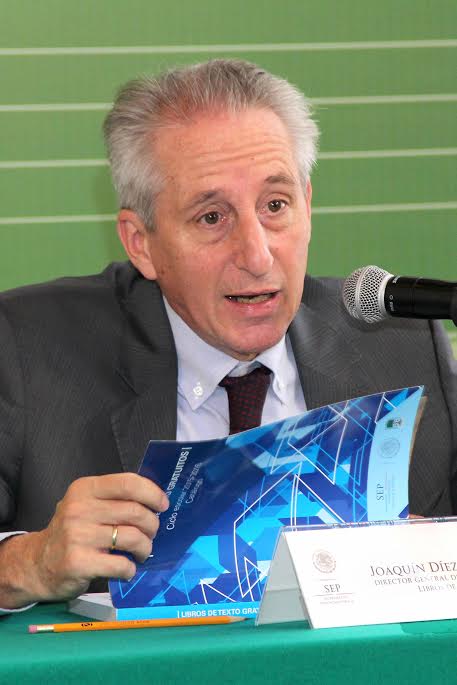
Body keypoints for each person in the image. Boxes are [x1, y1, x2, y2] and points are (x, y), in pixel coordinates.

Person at [0, 59, 456, 611]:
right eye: (212, 217)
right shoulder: (26, 348)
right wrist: (28, 562)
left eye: (275, 206)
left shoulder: (403, 342)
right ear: (141, 242)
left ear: (308, 206)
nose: (258, 255)